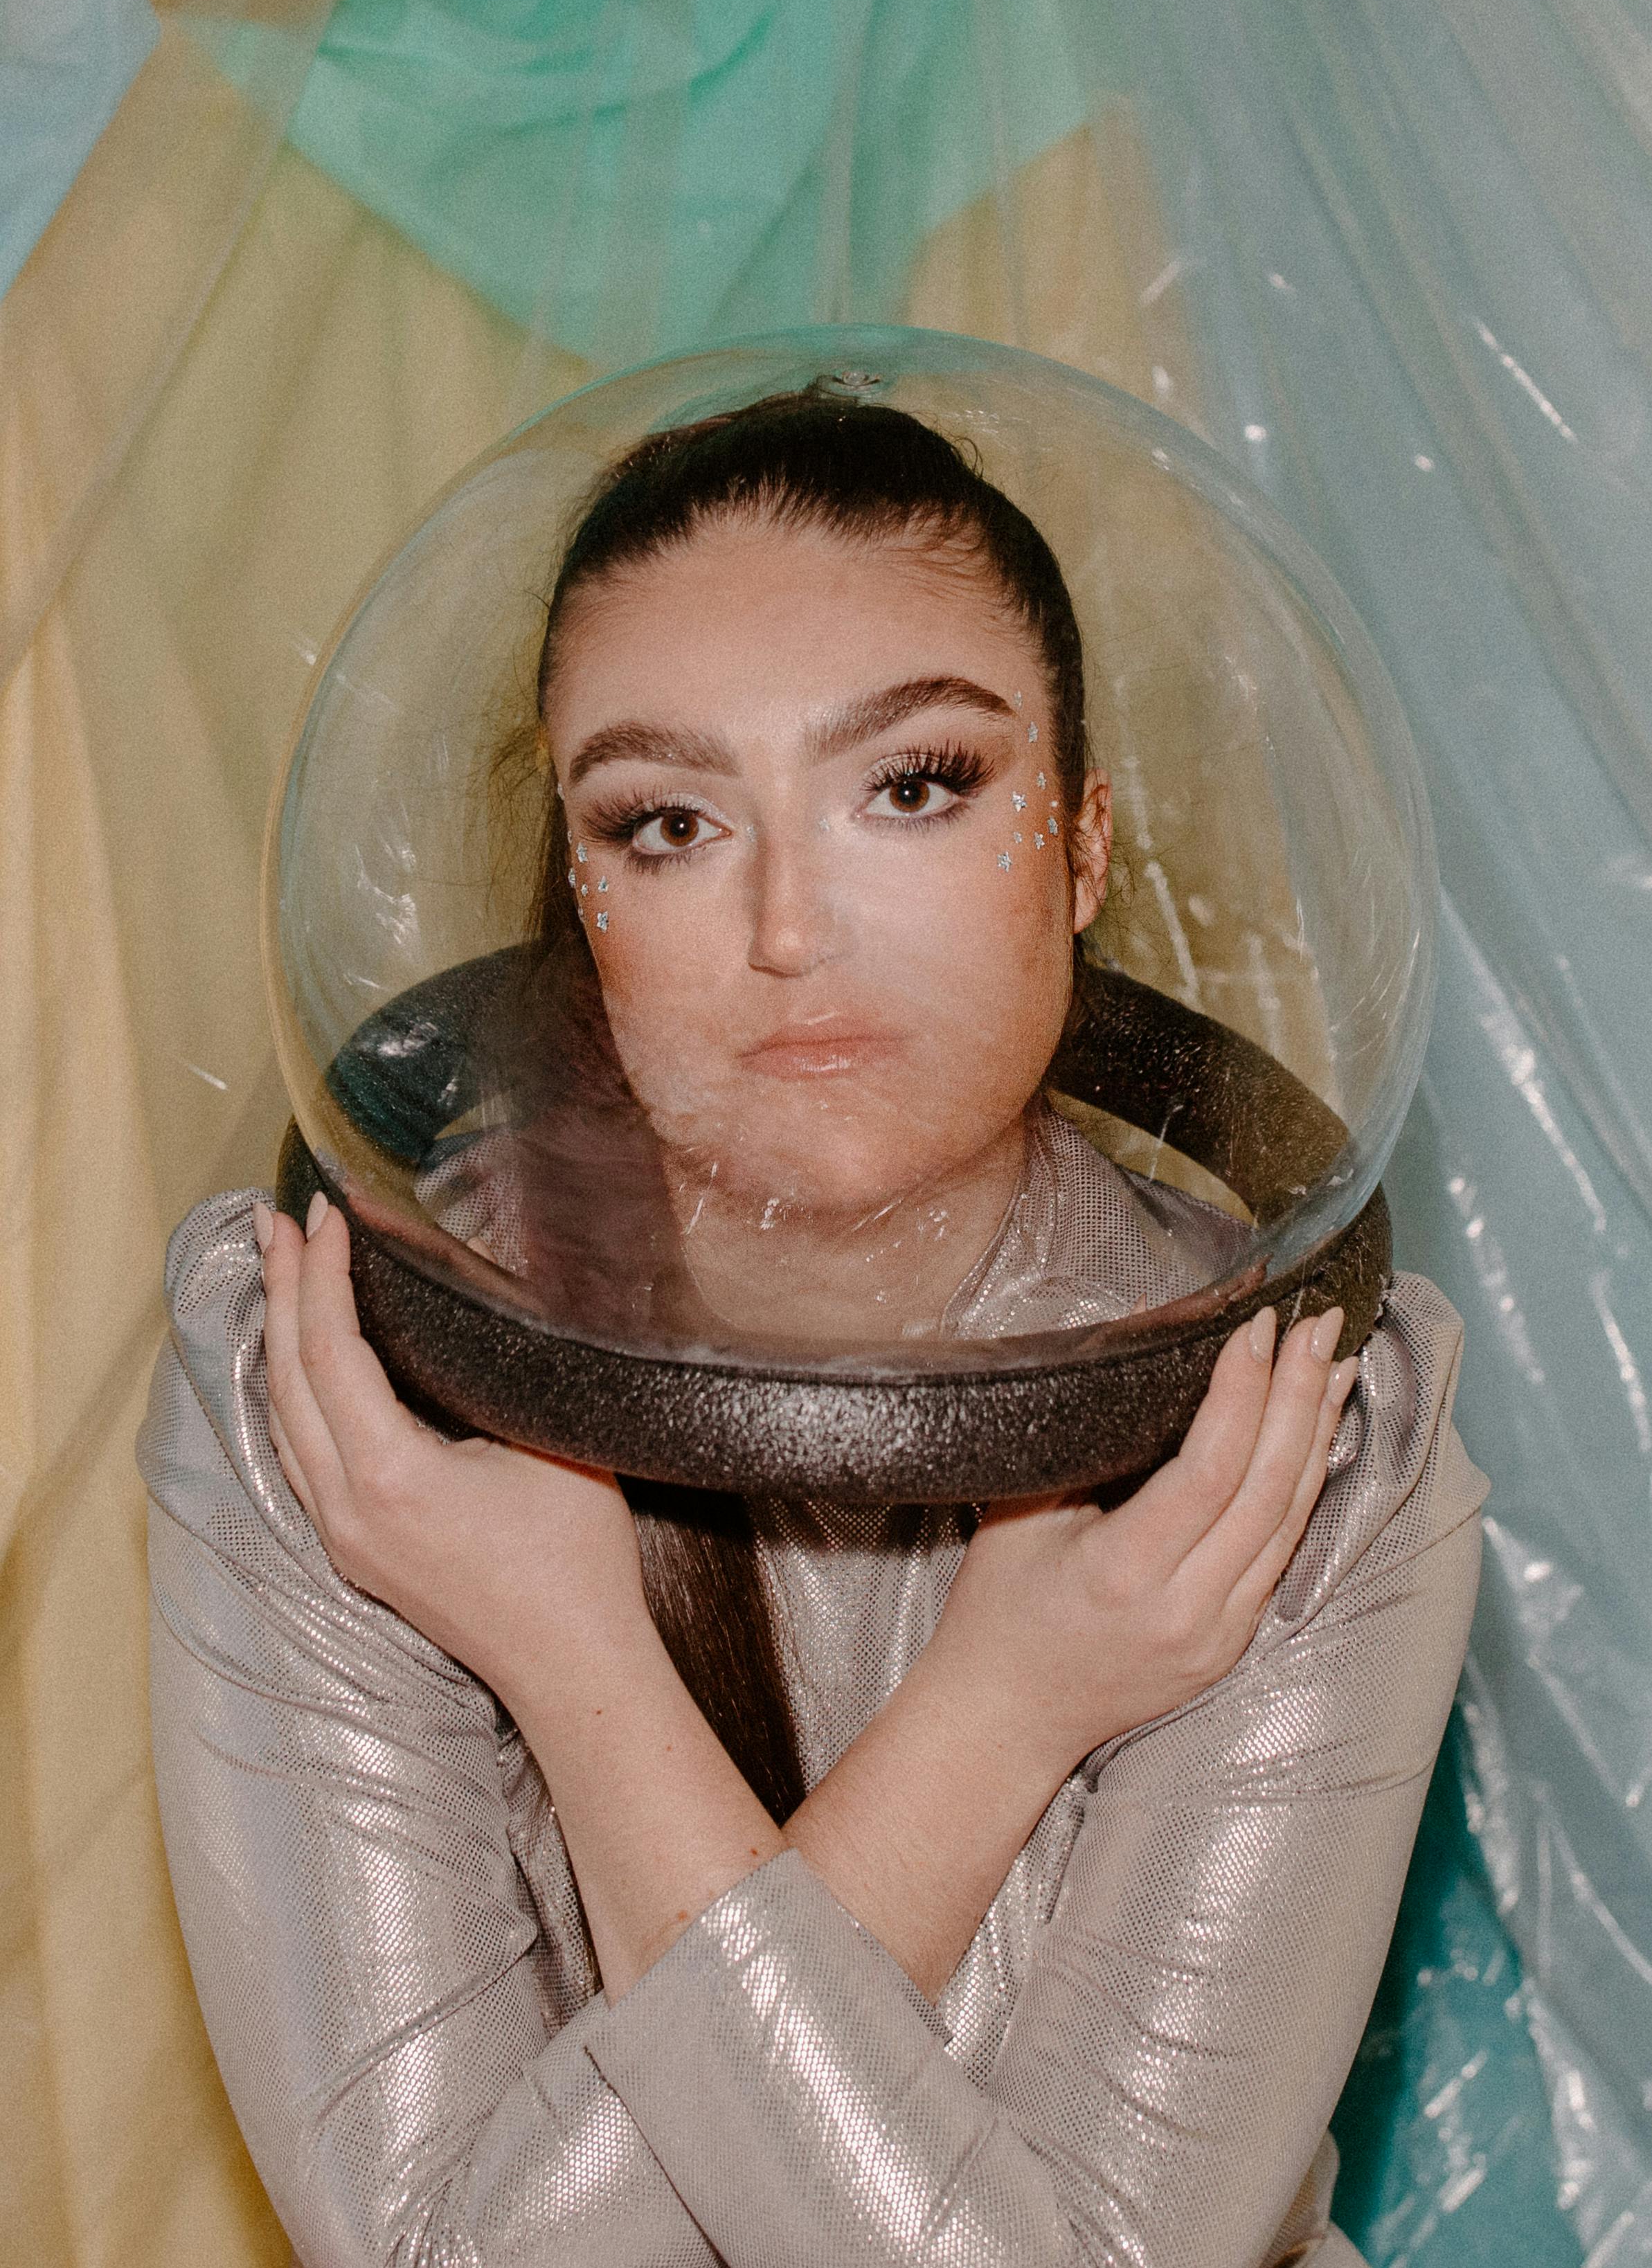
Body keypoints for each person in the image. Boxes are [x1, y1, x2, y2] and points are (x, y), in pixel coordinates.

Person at [141, 390, 1485, 2268]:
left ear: (1083, 849)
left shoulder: (1313, 1436)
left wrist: (608, 1685)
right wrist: (972, 1709)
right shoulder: (329, 1387)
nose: (792, 925)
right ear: (585, 895)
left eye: (914, 784)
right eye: (669, 819)